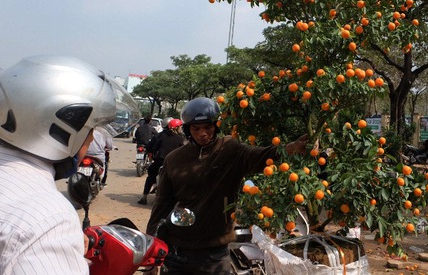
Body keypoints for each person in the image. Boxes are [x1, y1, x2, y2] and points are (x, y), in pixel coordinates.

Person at [144, 97, 308, 274]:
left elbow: (260, 156)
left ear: (216, 126)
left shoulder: (230, 149)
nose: (202, 133)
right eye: (196, 128)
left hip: (215, 250)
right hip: (178, 248)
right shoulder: (174, 159)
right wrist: (151, 253)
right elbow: (161, 206)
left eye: (208, 127)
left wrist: (290, 148)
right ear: (187, 129)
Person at [0, 55, 117, 274]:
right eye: (90, 130)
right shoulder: (48, 217)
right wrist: (56, 235)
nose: (91, 139)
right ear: (61, 129)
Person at [137, 117, 184, 205]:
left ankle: (144, 197)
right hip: (173, 164)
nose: (181, 129)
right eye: (180, 127)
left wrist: (153, 153)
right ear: (176, 128)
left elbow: (151, 147)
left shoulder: (159, 135)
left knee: (150, 174)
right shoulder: (180, 139)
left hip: (160, 162)